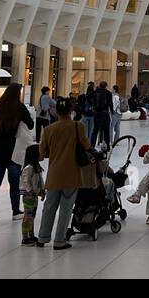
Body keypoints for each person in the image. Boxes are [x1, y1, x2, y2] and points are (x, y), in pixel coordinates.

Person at [36, 99, 94, 249]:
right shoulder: (78, 127)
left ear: (57, 112)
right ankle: (59, 240)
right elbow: (86, 145)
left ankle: (42, 237)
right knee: (66, 208)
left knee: (49, 207)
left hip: (54, 174)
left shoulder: (49, 129)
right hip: (71, 173)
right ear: (70, 111)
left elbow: (41, 153)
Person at [0, 83, 33, 226]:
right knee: (14, 183)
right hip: (12, 150)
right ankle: (16, 211)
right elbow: (31, 124)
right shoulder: (19, 107)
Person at [19, 144, 45, 246]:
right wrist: (30, 190)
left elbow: (40, 181)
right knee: (28, 216)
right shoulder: (29, 168)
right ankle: (25, 238)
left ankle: (31, 235)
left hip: (34, 195)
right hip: (29, 196)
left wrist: (42, 191)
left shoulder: (37, 167)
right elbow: (25, 181)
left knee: (32, 216)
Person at [91, 80, 113, 149]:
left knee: (95, 131)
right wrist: (112, 112)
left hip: (97, 114)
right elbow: (110, 104)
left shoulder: (95, 92)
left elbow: (91, 99)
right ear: (106, 86)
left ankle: (92, 146)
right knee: (106, 131)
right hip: (105, 114)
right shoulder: (108, 93)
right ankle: (107, 146)